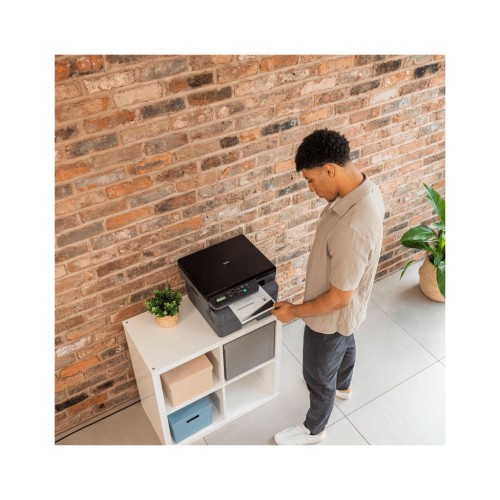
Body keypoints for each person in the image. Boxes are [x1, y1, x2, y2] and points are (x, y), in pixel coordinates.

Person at [272, 129, 385, 445]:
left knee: (317, 375)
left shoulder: (354, 225)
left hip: (329, 316)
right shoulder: (366, 190)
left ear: (330, 170)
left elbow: (337, 298)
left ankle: (314, 429)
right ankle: (343, 386)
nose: (311, 188)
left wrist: (294, 311)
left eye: (311, 180)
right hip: (348, 313)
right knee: (346, 339)